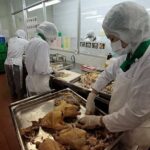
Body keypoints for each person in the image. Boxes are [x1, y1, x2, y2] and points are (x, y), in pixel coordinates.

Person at [77, 2, 150, 150]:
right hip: (116, 128)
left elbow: (136, 113)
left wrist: (99, 121)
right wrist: (92, 94)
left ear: (129, 32)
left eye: (112, 38)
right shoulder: (130, 54)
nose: (112, 44)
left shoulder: (147, 60)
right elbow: (107, 73)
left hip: (136, 134)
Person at [25, 21, 58, 96]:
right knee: (43, 106)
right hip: (39, 83)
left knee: (34, 104)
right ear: (49, 34)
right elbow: (41, 69)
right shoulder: (43, 44)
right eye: (52, 39)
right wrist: (52, 70)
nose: (52, 41)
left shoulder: (32, 41)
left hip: (31, 82)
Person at [5, 29, 29, 99]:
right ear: (23, 35)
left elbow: (8, 45)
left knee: (10, 80)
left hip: (7, 63)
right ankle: (20, 97)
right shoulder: (25, 41)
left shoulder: (10, 40)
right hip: (16, 64)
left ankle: (12, 95)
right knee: (18, 81)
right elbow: (29, 50)